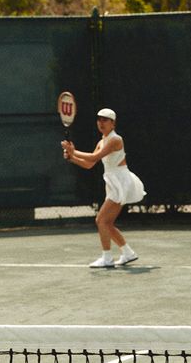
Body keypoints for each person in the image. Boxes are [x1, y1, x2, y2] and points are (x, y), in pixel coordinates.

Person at [61, 107, 145, 268]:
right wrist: (72, 157)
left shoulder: (115, 139)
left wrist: (73, 150)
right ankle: (128, 253)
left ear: (113, 124)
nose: (101, 122)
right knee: (107, 222)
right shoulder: (101, 142)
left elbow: (94, 157)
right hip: (113, 181)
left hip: (120, 180)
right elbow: (89, 164)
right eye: (99, 119)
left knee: (101, 220)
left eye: (105, 120)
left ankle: (107, 258)